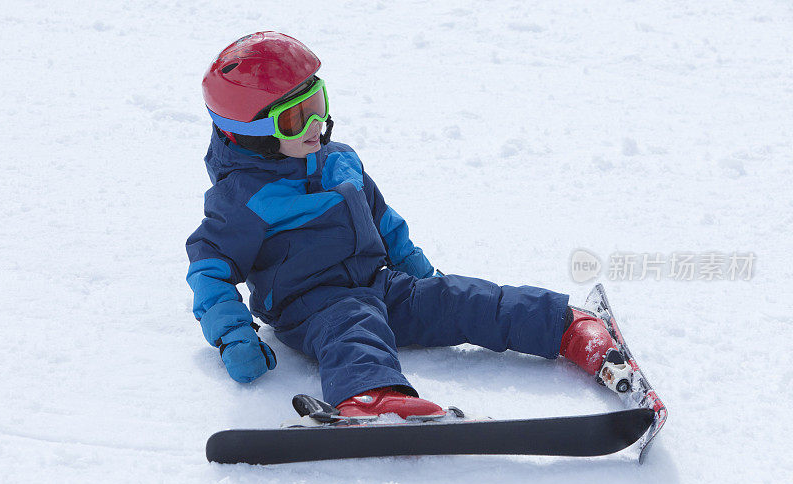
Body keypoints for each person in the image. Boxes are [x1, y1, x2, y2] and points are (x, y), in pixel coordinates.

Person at [186, 32, 625, 419]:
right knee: (354, 323)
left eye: (317, 104)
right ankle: (368, 396)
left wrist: (416, 271)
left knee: (458, 298)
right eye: (296, 118)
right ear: (249, 133)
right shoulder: (242, 199)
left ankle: (563, 326)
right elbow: (210, 268)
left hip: (379, 284)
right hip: (313, 309)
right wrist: (233, 335)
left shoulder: (338, 158)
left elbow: (381, 218)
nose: (316, 125)